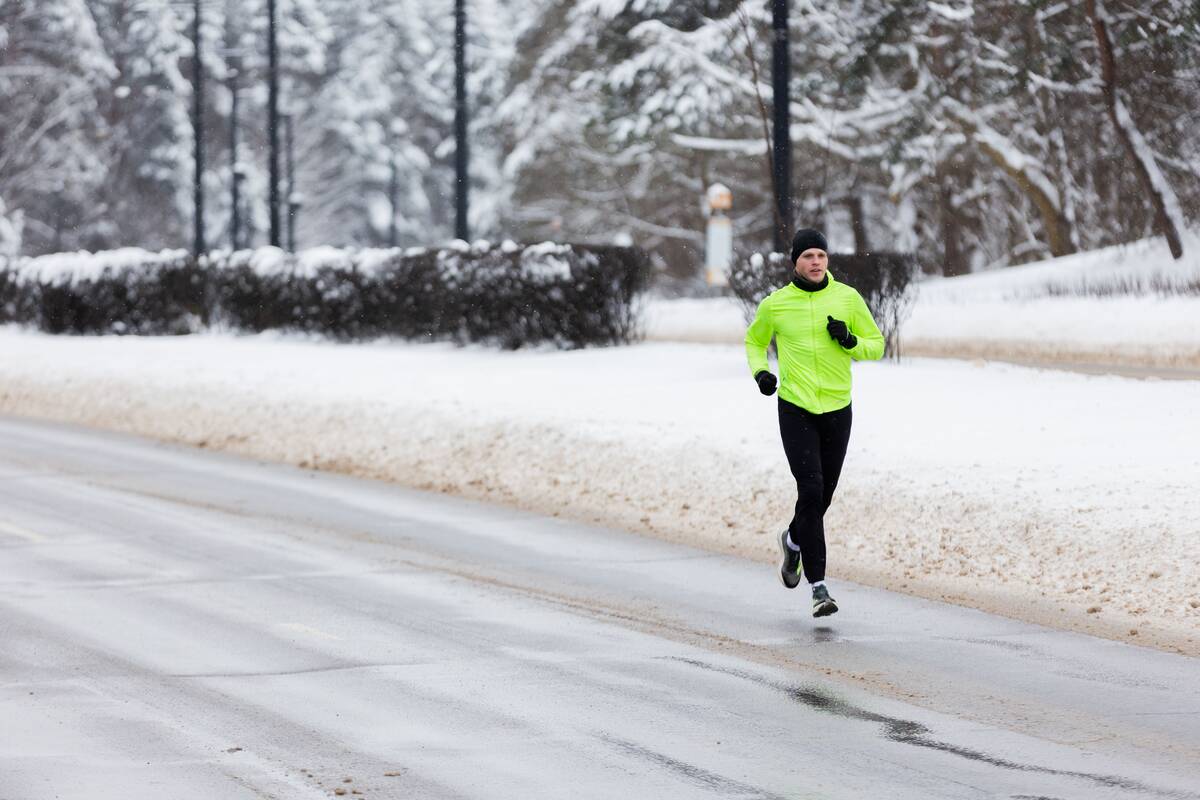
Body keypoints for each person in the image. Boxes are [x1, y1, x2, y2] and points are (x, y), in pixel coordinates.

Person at [744, 228, 884, 617]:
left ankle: (792, 541)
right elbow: (755, 341)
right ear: (795, 262)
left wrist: (851, 341)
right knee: (811, 487)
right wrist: (761, 374)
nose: (816, 262)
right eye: (808, 256)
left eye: (821, 255)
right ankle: (819, 588)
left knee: (821, 498)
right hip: (795, 407)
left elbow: (877, 345)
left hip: (838, 408)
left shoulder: (847, 298)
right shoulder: (776, 304)